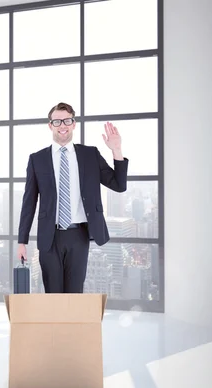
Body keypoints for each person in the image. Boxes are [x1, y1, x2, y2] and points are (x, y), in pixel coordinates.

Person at [17, 102, 128, 293]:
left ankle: (71, 324)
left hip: (79, 236)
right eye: (57, 121)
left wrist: (116, 151)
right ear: (50, 125)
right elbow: (29, 203)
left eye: (67, 120)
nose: (62, 125)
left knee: (74, 294)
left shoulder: (90, 154)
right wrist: (22, 242)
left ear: (74, 124)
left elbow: (118, 185)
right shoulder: (37, 159)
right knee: (53, 294)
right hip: (49, 238)